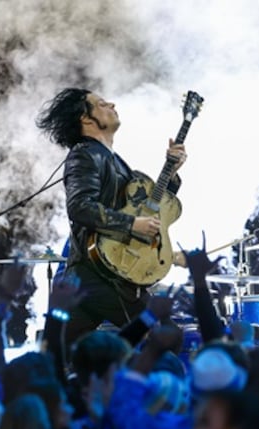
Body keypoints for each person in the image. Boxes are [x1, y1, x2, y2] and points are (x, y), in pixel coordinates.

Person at [36, 88, 187, 344]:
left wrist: (170, 175)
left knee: (62, 356)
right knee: (164, 339)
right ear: (86, 119)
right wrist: (131, 225)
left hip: (96, 275)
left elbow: (146, 206)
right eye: (102, 104)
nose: (113, 104)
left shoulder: (112, 159)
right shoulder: (85, 154)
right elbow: (80, 206)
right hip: (102, 277)